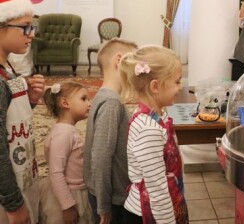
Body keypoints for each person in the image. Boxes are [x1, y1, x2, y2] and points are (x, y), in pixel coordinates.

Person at [119, 45, 188, 224]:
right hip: (146, 214)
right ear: (155, 86)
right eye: (177, 81)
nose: (180, 88)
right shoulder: (148, 130)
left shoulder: (158, 115)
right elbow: (156, 189)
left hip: (162, 205)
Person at [0, 0, 45, 224]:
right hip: (7, 197)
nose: (32, 34)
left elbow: (10, 119)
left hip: (22, 178)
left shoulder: (9, 67)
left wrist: (31, 101)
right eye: (25, 27)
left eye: (33, 26)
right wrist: (14, 204)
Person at [83, 38, 138, 224]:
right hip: (112, 199)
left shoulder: (105, 96)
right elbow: (100, 157)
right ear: (119, 60)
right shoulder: (112, 103)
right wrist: (104, 205)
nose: (137, 71)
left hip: (108, 195)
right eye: (135, 63)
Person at [41, 81, 93, 224]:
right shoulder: (63, 134)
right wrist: (68, 206)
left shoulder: (67, 130)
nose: (89, 103)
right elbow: (56, 172)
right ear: (65, 103)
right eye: (84, 99)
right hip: (70, 195)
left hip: (76, 190)